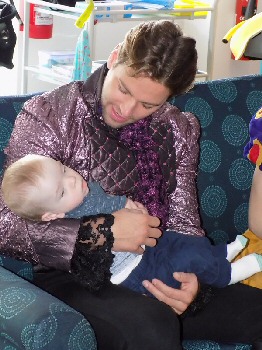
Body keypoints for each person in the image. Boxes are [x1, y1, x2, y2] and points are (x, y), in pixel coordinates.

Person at [1, 19, 262, 349]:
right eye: (124, 88)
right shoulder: (51, 113)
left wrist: (193, 284)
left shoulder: (179, 129)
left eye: (148, 104)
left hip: (159, 259)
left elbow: (183, 222)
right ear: (113, 58)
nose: (126, 109)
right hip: (76, 273)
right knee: (152, 326)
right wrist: (100, 232)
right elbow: (6, 222)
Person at [3, 153, 262, 293]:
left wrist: (127, 205)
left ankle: (219, 253)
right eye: (61, 191)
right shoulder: (70, 221)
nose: (72, 180)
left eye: (63, 169)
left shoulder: (83, 191)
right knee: (186, 263)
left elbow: (110, 202)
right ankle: (227, 275)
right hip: (133, 274)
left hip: (147, 246)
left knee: (184, 238)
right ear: (51, 216)